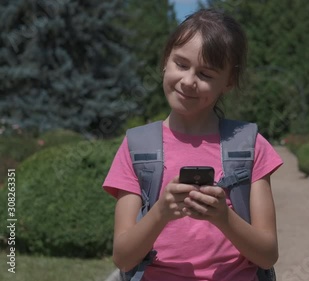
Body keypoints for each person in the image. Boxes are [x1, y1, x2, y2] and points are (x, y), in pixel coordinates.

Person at [102, 8, 283, 281]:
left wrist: (224, 217)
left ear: (228, 82)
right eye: (181, 64)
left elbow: (267, 255)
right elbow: (123, 257)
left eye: (206, 74)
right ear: (165, 61)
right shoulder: (136, 147)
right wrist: (160, 212)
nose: (188, 81)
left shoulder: (250, 145)